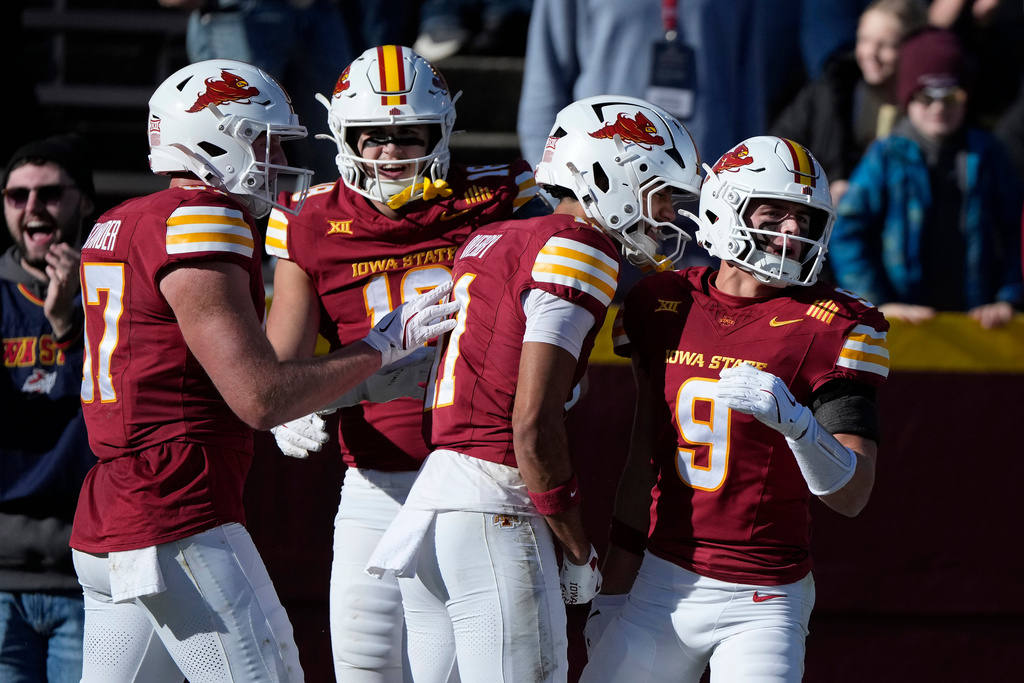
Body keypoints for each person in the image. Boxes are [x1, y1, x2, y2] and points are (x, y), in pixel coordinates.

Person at [68, 58, 458, 683]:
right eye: (262, 140)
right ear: (213, 137)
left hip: (115, 506)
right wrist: (380, 347)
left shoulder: (117, 223)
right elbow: (260, 398)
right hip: (177, 510)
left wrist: (345, 384)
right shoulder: (202, 220)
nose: (276, 158)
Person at [363, 95, 702, 683]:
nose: (669, 211)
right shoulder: (579, 246)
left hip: (434, 506)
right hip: (494, 507)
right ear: (609, 175)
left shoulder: (497, 237)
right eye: (661, 191)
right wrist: (576, 545)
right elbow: (531, 425)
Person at [264, 44, 546, 683]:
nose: (389, 153)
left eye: (406, 135)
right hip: (373, 478)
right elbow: (277, 363)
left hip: (475, 479)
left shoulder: (499, 196)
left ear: (440, 132)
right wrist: (290, 409)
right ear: (344, 136)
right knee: (363, 668)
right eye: (373, 137)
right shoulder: (308, 219)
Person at [579, 136, 890, 683]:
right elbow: (641, 459)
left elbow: (854, 495)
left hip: (765, 597)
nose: (792, 232)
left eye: (804, 218)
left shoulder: (835, 325)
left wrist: (799, 426)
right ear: (724, 208)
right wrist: (616, 588)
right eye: (774, 213)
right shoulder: (658, 302)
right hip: (660, 581)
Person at [830, 28, 1024, 328]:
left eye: (951, 96)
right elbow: (847, 232)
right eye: (925, 97)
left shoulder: (988, 153)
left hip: (978, 325)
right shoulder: (885, 155)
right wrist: (876, 303)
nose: (938, 108)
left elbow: (1015, 231)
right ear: (908, 98)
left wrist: (1007, 298)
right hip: (902, 326)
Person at [1, 134, 98, 683]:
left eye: (49, 193)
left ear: (83, 201)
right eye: (17, 196)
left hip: (88, 572)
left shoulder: (120, 292)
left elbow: (127, 404)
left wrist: (69, 327)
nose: (32, 208)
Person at [157, 0, 357, 183]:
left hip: (319, 8)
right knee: (228, 150)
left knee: (334, 142)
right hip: (241, 11)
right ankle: (211, 219)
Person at [770, 0, 929, 204]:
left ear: (912, 48)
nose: (871, 53)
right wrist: (821, 188)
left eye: (886, 45)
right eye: (864, 40)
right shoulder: (828, 94)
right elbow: (776, 153)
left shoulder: (927, 106)